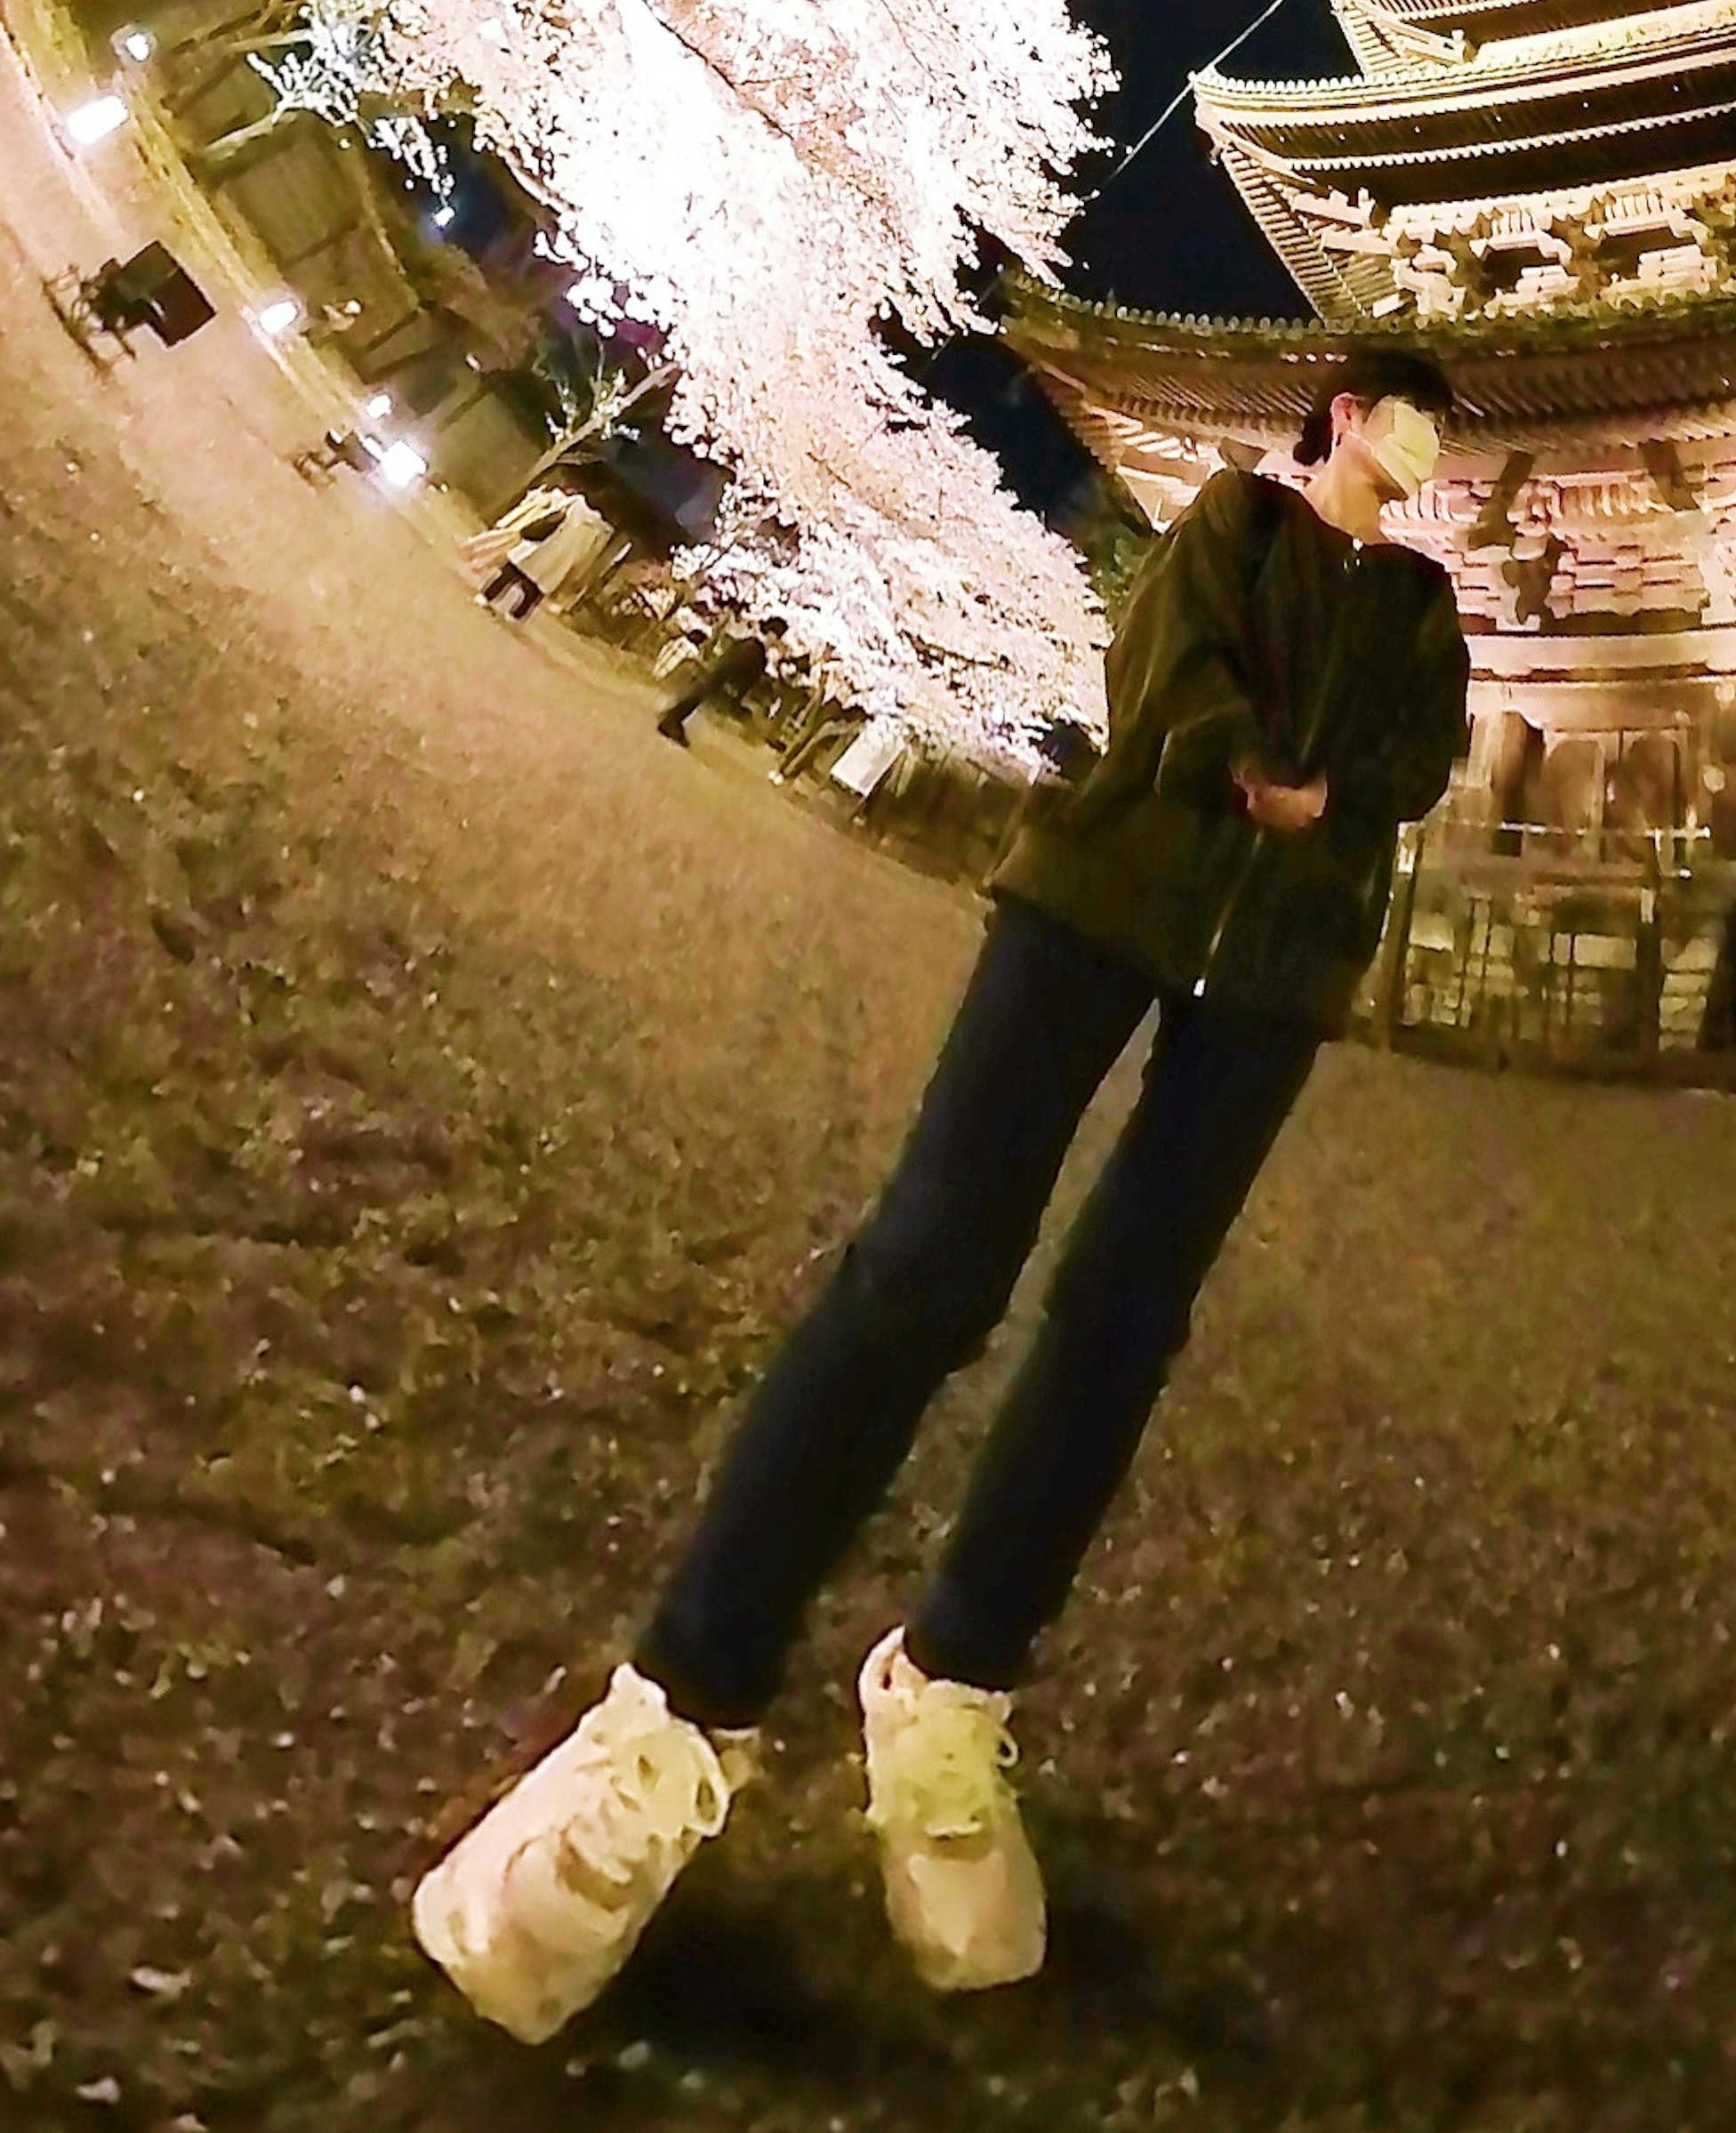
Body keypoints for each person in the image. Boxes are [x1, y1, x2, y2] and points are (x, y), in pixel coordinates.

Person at [411, 357, 1470, 2043]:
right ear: (1344, 412)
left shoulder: (1427, 606)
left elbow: (1427, 751)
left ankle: (952, 1681)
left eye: (1444, 428)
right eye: (1412, 410)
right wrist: (1236, 756)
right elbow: (1163, 662)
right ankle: (676, 1709)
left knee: (1126, 1320)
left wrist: (1332, 794)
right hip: (1109, 892)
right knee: (926, 1263)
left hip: (1277, 965)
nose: (1431, 445)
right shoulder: (1235, 521)